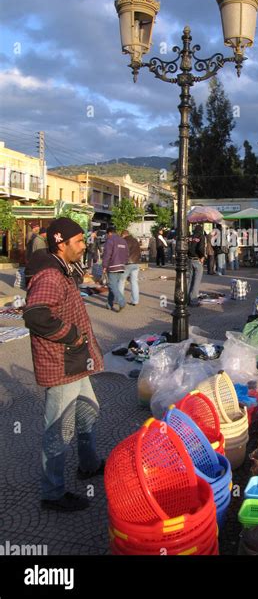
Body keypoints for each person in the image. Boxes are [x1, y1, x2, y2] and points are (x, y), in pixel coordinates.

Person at [23, 218, 104, 512]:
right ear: (61, 242)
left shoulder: (61, 268)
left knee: (88, 412)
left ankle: (89, 464)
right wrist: (72, 335)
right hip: (61, 364)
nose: (84, 246)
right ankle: (52, 493)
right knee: (58, 430)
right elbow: (35, 315)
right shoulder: (50, 275)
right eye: (79, 241)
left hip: (74, 360)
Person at [102, 226, 129, 311]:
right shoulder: (123, 240)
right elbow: (127, 254)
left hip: (113, 266)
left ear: (109, 233)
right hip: (121, 266)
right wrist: (123, 263)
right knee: (113, 285)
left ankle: (122, 301)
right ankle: (110, 304)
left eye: (107, 234)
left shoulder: (110, 240)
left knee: (112, 285)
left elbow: (107, 254)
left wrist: (104, 266)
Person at [118, 230, 141, 306]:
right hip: (136, 263)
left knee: (121, 281)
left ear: (123, 235)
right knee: (134, 282)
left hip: (127, 264)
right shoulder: (135, 240)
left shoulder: (124, 241)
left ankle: (120, 300)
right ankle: (135, 301)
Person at [188, 224, 206, 306]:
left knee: (191, 280)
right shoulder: (201, 236)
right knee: (196, 281)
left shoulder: (190, 237)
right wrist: (202, 257)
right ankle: (193, 301)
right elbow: (200, 248)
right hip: (197, 259)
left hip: (190, 259)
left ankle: (187, 299)